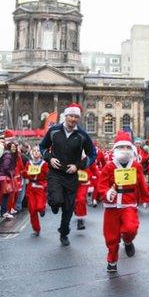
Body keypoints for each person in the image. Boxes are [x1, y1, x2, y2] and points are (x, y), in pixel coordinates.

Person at [39, 103, 96, 246]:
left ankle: (64, 232)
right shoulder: (54, 130)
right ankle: (53, 201)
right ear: (66, 116)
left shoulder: (82, 135)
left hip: (71, 176)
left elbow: (92, 154)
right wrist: (49, 158)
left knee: (69, 207)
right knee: (57, 201)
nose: (73, 119)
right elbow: (42, 146)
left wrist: (78, 166)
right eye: (71, 116)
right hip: (55, 173)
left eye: (76, 117)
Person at [97, 131, 149, 272]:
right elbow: (101, 184)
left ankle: (127, 241)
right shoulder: (109, 166)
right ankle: (112, 260)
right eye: (121, 147)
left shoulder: (136, 165)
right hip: (112, 206)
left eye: (127, 147)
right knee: (111, 237)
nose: (125, 150)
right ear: (116, 149)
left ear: (131, 149)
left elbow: (141, 183)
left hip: (128, 203)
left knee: (130, 228)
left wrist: (145, 197)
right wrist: (107, 192)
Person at [21, 147, 48, 236]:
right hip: (30, 188)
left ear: (40, 153)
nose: (36, 153)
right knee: (32, 209)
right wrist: (26, 172)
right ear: (32, 153)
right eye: (34, 151)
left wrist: (46, 184)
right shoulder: (29, 163)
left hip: (40, 187)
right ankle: (36, 229)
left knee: (39, 207)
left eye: (38, 151)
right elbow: (24, 173)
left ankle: (42, 209)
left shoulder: (44, 164)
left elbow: (48, 175)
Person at [73, 154, 100, 230]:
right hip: (73, 184)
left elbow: (95, 171)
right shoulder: (71, 156)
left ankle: (80, 220)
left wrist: (98, 179)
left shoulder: (89, 159)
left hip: (84, 184)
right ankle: (76, 209)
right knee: (74, 201)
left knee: (81, 199)